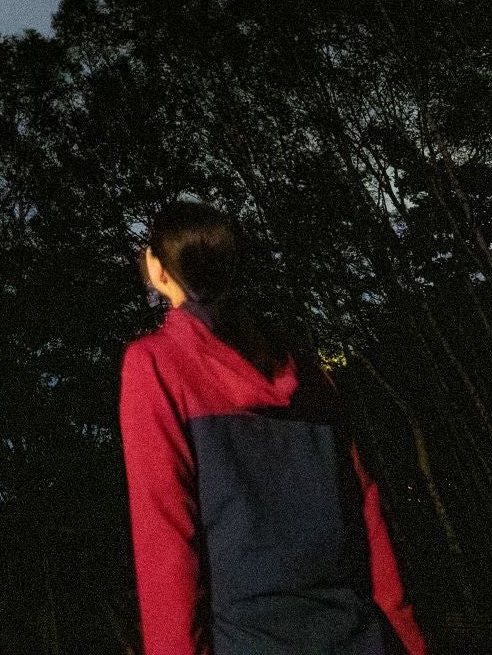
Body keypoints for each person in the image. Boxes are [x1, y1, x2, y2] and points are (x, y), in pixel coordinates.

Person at [119, 200, 426, 655]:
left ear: (159, 270)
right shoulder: (306, 372)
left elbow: (165, 539)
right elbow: (368, 518)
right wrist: (408, 641)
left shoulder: (155, 366)